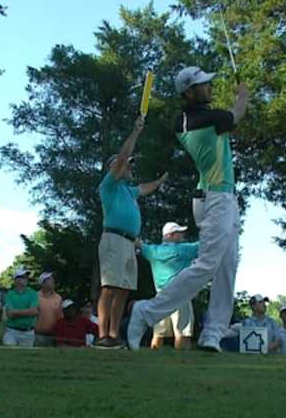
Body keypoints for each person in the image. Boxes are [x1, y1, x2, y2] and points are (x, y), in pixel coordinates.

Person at [127, 66, 251, 352]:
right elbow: (237, 114)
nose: (209, 86)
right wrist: (242, 95)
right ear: (188, 92)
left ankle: (213, 334)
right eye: (203, 84)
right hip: (214, 197)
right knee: (208, 265)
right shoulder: (203, 119)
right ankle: (146, 312)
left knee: (226, 267)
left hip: (225, 197)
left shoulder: (194, 117)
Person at [97, 115, 167, 348]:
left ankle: (115, 335)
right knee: (109, 287)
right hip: (114, 239)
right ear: (114, 168)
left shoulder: (129, 191)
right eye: (126, 164)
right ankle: (103, 335)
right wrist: (136, 131)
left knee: (124, 289)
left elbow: (146, 188)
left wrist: (161, 180)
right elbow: (124, 156)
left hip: (128, 243)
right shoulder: (109, 185)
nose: (130, 166)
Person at [140, 222, 199, 350]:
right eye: (179, 233)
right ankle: (181, 365)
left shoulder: (152, 251)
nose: (183, 235)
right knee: (182, 333)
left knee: (158, 333)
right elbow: (206, 245)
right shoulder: (184, 249)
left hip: (160, 297)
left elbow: (139, 244)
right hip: (180, 296)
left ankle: (154, 361)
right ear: (171, 235)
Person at [3, 268, 39, 347]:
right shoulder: (10, 294)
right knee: (9, 354)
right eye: (23, 277)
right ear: (16, 279)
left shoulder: (33, 293)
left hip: (28, 332)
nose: (26, 279)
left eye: (26, 277)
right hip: (12, 331)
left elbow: (34, 311)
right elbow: (10, 314)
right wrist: (27, 312)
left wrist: (16, 312)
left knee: (26, 357)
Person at [35, 271, 63, 347]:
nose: (53, 281)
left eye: (52, 279)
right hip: (37, 335)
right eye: (49, 279)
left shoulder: (58, 298)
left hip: (53, 335)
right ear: (43, 283)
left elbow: (60, 317)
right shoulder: (35, 297)